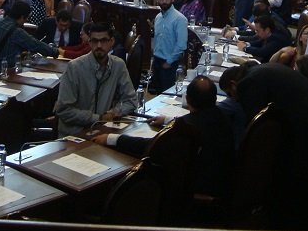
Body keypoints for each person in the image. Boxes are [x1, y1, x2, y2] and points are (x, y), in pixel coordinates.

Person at [235, 62, 308, 230]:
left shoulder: (249, 81)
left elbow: (256, 128)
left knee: (306, 187)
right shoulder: (267, 69)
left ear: (233, 83)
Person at [92, 75, 234, 199]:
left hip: (193, 188)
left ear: (188, 100)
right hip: (222, 181)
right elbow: (194, 120)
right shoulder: (223, 116)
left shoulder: (187, 129)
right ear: (215, 98)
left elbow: (151, 145)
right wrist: (167, 120)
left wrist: (111, 138)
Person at [54, 21, 137, 137]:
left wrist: (114, 112)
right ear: (89, 42)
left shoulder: (118, 65)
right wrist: (98, 118)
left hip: (102, 132)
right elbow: (64, 110)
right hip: (74, 134)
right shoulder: (74, 67)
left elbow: (131, 101)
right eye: (94, 41)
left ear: (111, 41)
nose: (99, 46)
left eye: (103, 41)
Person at [0, 2, 59, 68]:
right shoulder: (16, 31)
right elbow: (35, 44)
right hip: (4, 69)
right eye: (27, 18)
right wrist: (54, 51)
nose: (26, 20)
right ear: (22, 17)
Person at [150, 0, 187, 93]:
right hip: (157, 61)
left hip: (170, 64)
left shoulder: (180, 19)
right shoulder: (158, 17)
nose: (164, 1)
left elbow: (181, 45)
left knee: (167, 96)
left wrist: (169, 62)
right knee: (157, 95)